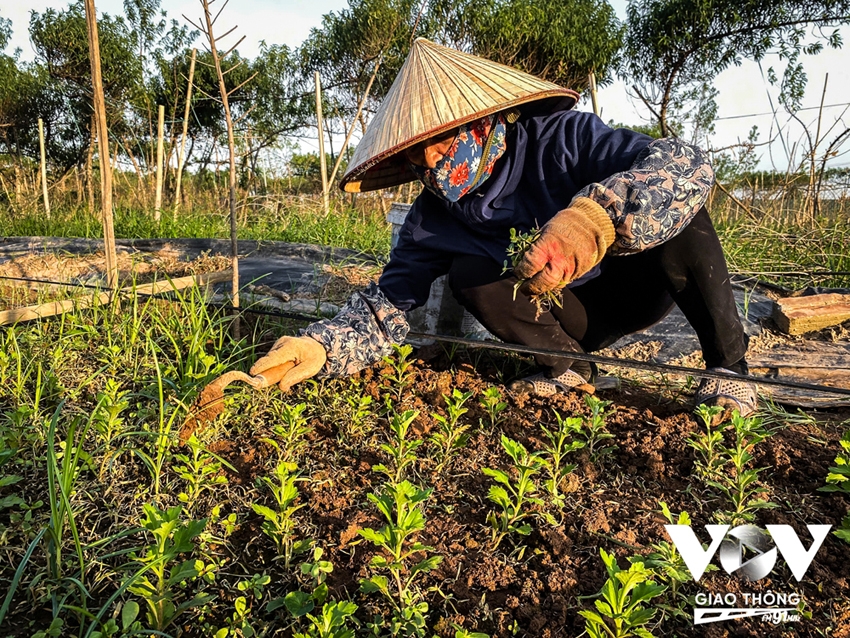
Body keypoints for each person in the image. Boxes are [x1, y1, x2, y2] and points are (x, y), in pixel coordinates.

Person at [251, 38, 756, 421]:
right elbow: (387, 306)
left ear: (480, 121)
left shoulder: (563, 139)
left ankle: (729, 369)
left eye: (440, 137)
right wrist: (319, 346)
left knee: (685, 217)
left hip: (634, 285)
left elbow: (684, 162)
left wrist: (593, 221)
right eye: (415, 149)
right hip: (568, 318)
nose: (430, 158)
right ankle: (570, 370)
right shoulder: (432, 219)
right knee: (470, 273)